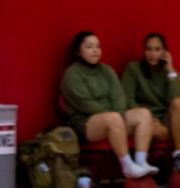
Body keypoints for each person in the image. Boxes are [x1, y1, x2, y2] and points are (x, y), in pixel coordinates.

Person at [61, 31, 159, 179]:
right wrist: (114, 117)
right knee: (113, 118)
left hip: (114, 118)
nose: (95, 50)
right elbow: (85, 103)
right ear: (78, 51)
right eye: (89, 46)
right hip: (86, 122)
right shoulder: (71, 74)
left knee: (144, 114)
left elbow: (119, 95)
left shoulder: (107, 70)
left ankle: (141, 161)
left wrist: (119, 114)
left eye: (98, 46)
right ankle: (127, 166)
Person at [121, 32, 180, 173]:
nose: (152, 54)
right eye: (149, 49)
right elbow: (127, 98)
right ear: (144, 50)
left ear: (164, 52)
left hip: (167, 120)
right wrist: (146, 118)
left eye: (157, 49)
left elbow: (178, 98)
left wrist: (170, 70)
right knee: (149, 128)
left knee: (178, 102)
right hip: (145, 121)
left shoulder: (169, 72)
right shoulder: (133, 69)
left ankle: (178, 155)